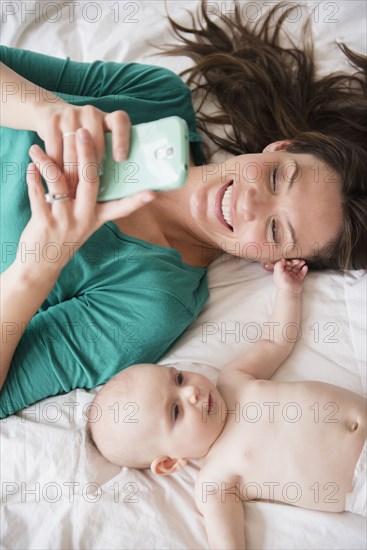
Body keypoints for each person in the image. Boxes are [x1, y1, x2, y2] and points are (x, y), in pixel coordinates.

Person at [1, 0, 366, 417]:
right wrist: (44, 110)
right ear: (280, 148)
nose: (250, 203)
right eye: (276, 177)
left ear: (276, 261)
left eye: (276, 231)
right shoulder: (156, 99)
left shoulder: (149, 305)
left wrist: (36, 266)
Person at [88, 258, 366, 550]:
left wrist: (288, 293)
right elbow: (227, 542)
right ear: (171, 462)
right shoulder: (215, 481)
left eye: (179, 379)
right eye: (176, 411)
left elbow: (274, 342)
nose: (191, 393)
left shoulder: (233, 380)